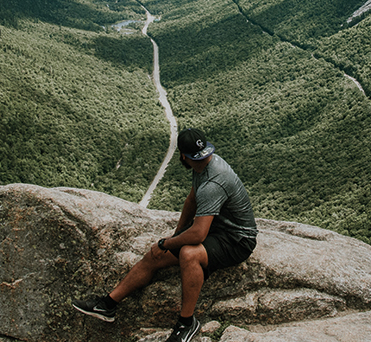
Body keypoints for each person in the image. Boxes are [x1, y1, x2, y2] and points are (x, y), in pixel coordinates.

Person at [72, 128, 258, 342]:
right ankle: (108, 304)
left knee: (189, 253)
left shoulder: (213, 183)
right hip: (217, 230)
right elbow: (192, 200)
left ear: (182, 156)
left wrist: (167, 242)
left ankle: (187, 323)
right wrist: (177, 234)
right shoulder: (205, 165)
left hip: (238, 239)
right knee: (156, 255)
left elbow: (198, 234)